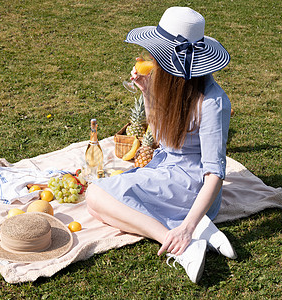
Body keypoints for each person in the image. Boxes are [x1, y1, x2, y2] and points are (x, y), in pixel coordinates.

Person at [86, 7, 236, 283]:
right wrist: (146, 91)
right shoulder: (173, 85)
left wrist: (186, 228)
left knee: (96, 196)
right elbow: (161, 136)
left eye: (159, 53)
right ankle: (195, 233)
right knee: (94, 206)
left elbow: (215, 173)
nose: (152, 58)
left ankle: (180, 241)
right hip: (167, 170)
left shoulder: (213, 103)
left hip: (193, 186)